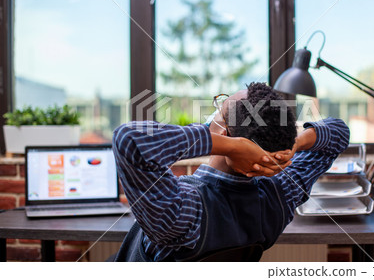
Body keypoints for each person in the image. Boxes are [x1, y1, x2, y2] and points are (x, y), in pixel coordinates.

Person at [112, 82, 350, 261]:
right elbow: (339, 132)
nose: (212, 114)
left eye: (219, 108)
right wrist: (296, 143)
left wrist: (230, 145)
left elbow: (129, 140)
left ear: (224, 134)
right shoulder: (283, 196)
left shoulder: (184, 210)